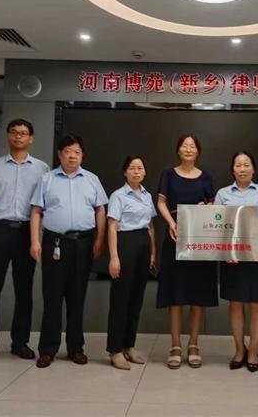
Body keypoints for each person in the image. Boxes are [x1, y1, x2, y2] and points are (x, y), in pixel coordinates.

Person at [0, 118, 49, 366]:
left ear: (31, 138)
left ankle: (20, 343)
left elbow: (43, 203)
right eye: (14, 132)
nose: (19, 136)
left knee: (24, 290)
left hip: (27, 232)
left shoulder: (42, 168)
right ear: (8, 136)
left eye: (24, 133)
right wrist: (1, 218)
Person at [29, 134, 108, 368]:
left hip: (83, 243)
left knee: (77, 297)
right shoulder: (47, 179)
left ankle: (76, 348)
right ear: (60, 154)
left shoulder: (92, 179)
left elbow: (100, 210)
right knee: (52, 297)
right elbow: (36, 211)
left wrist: (99, 240)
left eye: (77, 152)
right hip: (55, 243)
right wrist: (35, 241)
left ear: (82, 155)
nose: (72, 156)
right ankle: (48, 349)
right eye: (68, 151)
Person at [156, 134, 216, 369]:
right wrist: (171, 223)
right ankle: (175, 345)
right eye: (184, 145)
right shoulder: (168, 174)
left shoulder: (206, 177)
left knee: (197, 293)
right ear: (178, 150)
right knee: (175, 293)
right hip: (175, 236)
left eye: (192, 146)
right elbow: (161, 202)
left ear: (198, 151)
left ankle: (193, 344)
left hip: (199, 239)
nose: (188, 149)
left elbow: (213, 203)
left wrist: (205, 208)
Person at [214, 151, 258, 372]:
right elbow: (217, 223)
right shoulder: (223, 194)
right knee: (236, 303)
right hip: (232, 257)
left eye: (246, 164)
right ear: (233, 170)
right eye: (238, 165)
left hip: (257, 254)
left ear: (253, 169)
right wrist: (224, 251)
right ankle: (240, 349)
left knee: (257, 303)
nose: (242, 169)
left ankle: (253, 351)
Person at [106, 156, 157, 370]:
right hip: (125, 243)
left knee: (136, 299)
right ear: (125, 172)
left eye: (140, 168)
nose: (136, 171)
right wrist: (114, 257)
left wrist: (152, 253)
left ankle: (129, 346)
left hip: (143, 243)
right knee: (121, 299)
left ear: (144, 172)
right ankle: (115, 350)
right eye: (132, 168)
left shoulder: (147, 195)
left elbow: (150, 226)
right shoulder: (118, 195)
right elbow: (112, 227)